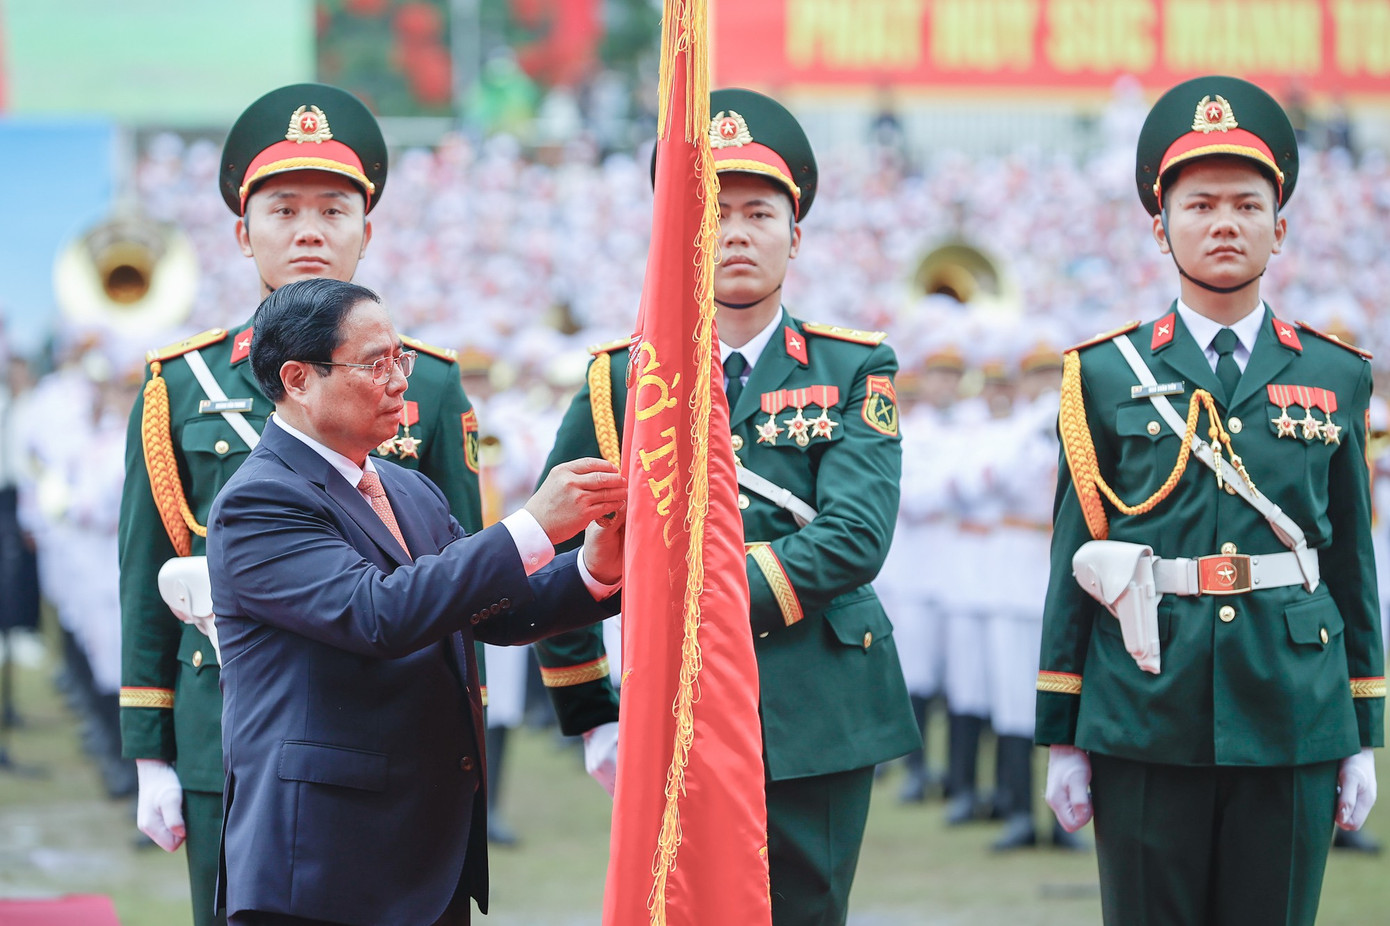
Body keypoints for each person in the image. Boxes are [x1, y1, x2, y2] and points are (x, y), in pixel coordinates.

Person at [533, 89, 919, 926]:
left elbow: (855, 535)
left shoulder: (855, 367)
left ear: (795, 233)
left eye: (758, 212)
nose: (735, 233)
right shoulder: (620, 380)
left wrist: (697, 601)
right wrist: (589, 708)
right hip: (668, 708)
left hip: (814, 699)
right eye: (712, 213)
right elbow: (560, 544)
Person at [118, 84, 485, 926]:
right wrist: (152, 753)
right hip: (231, 729)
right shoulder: (183, 384)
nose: (310, 230)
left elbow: (461, 575)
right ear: (244, 233)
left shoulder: (422, 380)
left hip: (393, 728)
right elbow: (148, 575)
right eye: (283, 209)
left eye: (334, 208)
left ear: (368, 229)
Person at [1038, 75, 1383, 925]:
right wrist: (1063, 733)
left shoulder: (1335, 375)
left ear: (1282, 225)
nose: (1223, 222)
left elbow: (1349, 563)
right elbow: (1070, 559)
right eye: (1198, 205)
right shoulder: (1105, 374)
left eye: (1245, 203)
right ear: (1161, 228)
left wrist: (1363, 730)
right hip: (1145, 710)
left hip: (1295, 708)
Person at [207, 278, 625, 925]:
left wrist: (597, 566)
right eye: (376, 364)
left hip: (422, 851)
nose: (400, 380)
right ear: (297, 379)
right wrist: (533, 525)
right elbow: (379, 614)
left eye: (399, 359)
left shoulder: (408, 489)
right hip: (323, 861)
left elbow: (495, 610)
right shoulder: (258, 501)